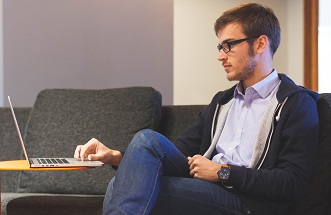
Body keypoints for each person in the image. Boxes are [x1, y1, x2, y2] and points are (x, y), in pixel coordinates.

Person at [74, 3, 319, 215]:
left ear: (260, 43)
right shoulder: (223, 102)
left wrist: (223, 173)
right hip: (209, 188)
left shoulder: (295, 103)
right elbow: (176, 152)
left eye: (229, 45)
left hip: (249, 203)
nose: (221, 56)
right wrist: (116, 156)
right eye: (220, 47)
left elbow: (292, 182)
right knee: (146, 141)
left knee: (123, 186)